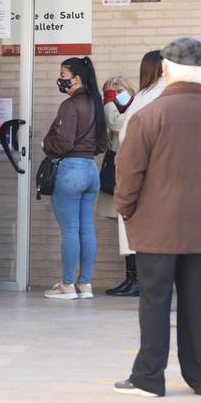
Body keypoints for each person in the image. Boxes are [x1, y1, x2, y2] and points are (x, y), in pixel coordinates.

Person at [112, 37, 201, 398]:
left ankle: (149, 377)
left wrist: (126, 209)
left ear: (167, 69)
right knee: (200, 302)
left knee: (154, 301)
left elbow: (129, 173)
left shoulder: (148, 116)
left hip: (155, 227)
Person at [42, 57, 109, 300]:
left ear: (77, 79)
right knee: (86, 228)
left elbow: (63, 142)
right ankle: (85, 284)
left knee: (70, 229)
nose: (60, 79)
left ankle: (67, 285)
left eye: (63, 74)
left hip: (70, 170)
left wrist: (45, 143)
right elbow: (103, 142)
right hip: (91, 169)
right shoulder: (96, 103)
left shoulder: (70, 106)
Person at [105, 51, 165, 297]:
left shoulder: (153, 94)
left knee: (136, 225)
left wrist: (110, 100)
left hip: (145, 170)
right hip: (145, 169)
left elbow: (123, 126)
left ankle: (140, 280)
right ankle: (135, 279)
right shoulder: (150, 94)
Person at [95, 76, 135, 219]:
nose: (116, 96)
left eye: (120, 91)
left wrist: (109, 99)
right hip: (115, 168)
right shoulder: (115, 109)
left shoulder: (135, 107)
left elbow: (115, 122)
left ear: (130, 90)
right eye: (114, 92)